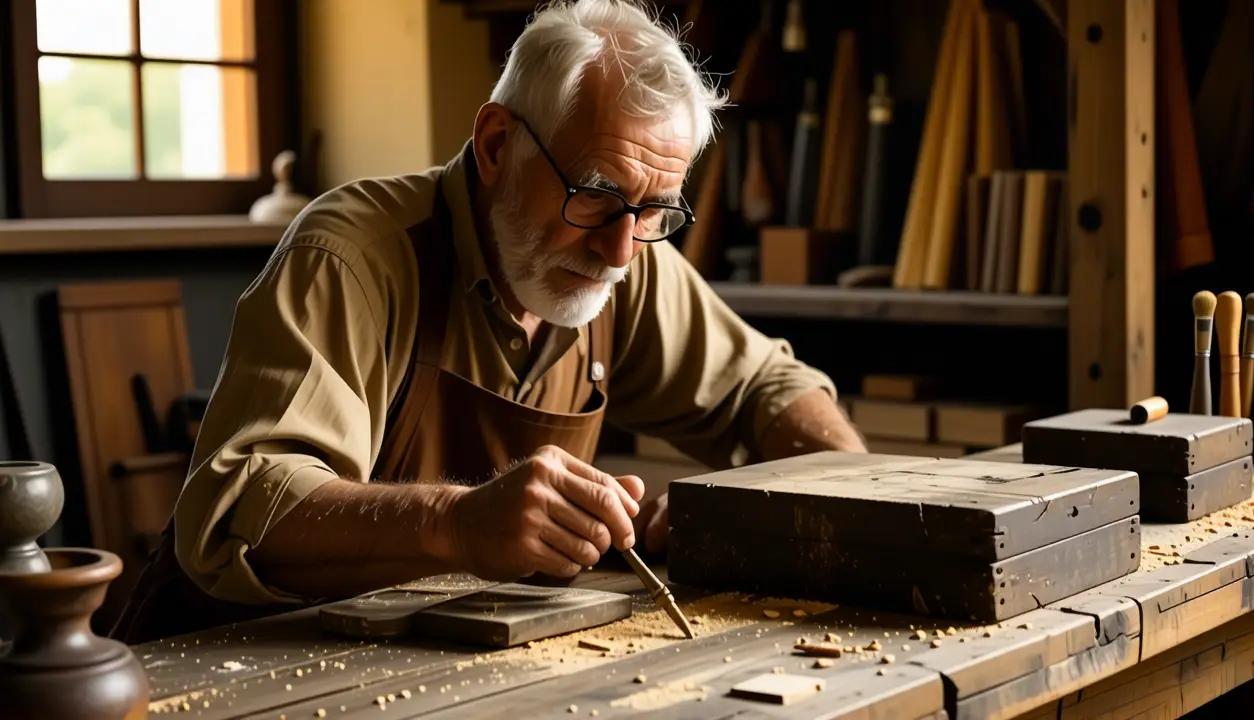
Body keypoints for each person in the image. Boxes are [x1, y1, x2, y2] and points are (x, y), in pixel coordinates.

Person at [110, 0, 866, 645]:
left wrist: (809, 510)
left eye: (653, 211)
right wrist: (459, 523)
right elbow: (244, 502)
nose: (616, 252)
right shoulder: (352, 256)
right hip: (229, 661)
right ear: (498, 144)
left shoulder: (626, 247)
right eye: (595, 195)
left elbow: (770, 386)